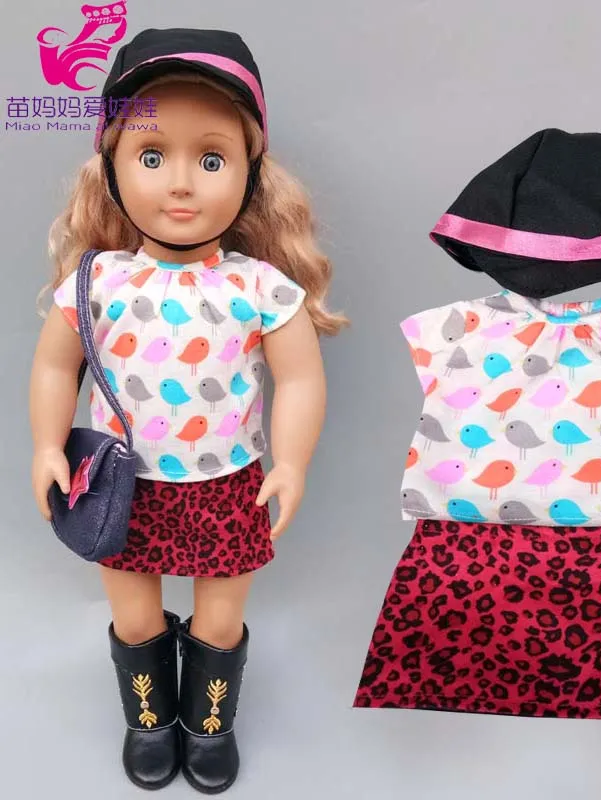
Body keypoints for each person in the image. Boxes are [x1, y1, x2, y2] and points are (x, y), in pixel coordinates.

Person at [29, 28, 347, 794]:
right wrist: (46, 446)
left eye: (210, 159)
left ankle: (208, 724)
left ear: (251, 174)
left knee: (219, 618)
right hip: (122, 484)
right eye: (150, 156)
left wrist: (291, 462)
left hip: (227, 481)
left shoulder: (259, 288)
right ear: (110, 169)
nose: (180, 184)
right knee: (135, 615)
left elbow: (300, 381)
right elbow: (54, 365)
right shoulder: (98, 281)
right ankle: (149, 719)